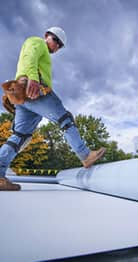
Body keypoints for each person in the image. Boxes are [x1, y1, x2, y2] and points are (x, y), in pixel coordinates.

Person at [0, 27, 106, 191]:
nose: (57, 46)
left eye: (60, 45)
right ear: (46, 36)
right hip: (35, 90)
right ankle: (85, 155)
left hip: (22, 98)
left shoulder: (43, 52)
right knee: (65, 119)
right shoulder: (36, 42)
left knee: (20, 136)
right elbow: (30, 56)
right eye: (56, 40)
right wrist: (34, 79)